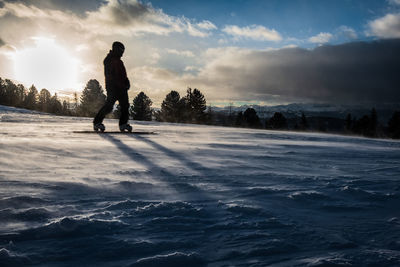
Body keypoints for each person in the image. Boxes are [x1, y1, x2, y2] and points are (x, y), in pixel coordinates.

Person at [93, 41, 132, 132]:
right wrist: (116, 84)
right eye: (121, 50)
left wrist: (126, 82)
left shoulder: (119, 61)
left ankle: (123, 124)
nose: (122, 53)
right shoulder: (109, 59)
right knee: (109, 106)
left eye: (123, 51)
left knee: (125, 106)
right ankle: (97, 122)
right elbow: (110, 75)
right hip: (113, 87)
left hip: (122, 88)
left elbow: (122, 75)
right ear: (116, 49)